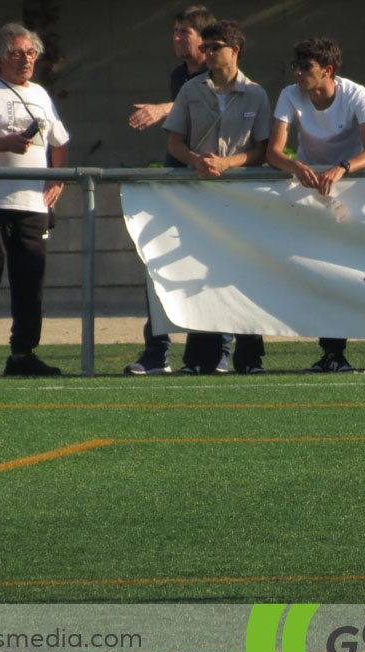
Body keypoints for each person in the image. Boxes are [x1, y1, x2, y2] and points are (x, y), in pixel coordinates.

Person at [0, 23, 69, 377]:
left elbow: (60, 141)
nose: (26, 59)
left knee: (30, 282)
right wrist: (6, 143)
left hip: (33, 206)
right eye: (17, 53)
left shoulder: (40, 94)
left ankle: (23, 354)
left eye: (31, 53)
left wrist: (57, 179)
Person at [163, 19, 271, 375]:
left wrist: (228, 163)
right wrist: (197, 161)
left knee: (246, 275)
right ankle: (199, 358)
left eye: (216, 47)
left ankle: (249, 357)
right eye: (205, 48)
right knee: (199, 275)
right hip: (200, 200)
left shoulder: (256, 93)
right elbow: (174, 143)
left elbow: (262, 149)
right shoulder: (191, 90)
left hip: (243, 199)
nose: (208, 54)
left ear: (235, 50)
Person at [266, 37, 365, 373]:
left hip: (351, 192)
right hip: (309, 195)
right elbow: (275, 152)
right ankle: (331, 352)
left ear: (328, 70)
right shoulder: (290, 94)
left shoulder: (355, 94)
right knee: (316, 272)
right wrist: (296, 167)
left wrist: (342, 168)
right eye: (296, 67)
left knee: (348, 269)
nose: (298, 73)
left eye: (307, 68)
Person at [124, 5, 221, 375]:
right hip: (178, 179)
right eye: (176, 31)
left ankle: (218, 350)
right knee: (157, 261)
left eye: (185, 32)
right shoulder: (179, 74)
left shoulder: (219, 75)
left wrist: (163, 108)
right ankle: (156, 350)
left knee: (214, 267)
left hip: (210, 185)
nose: (178, 38)